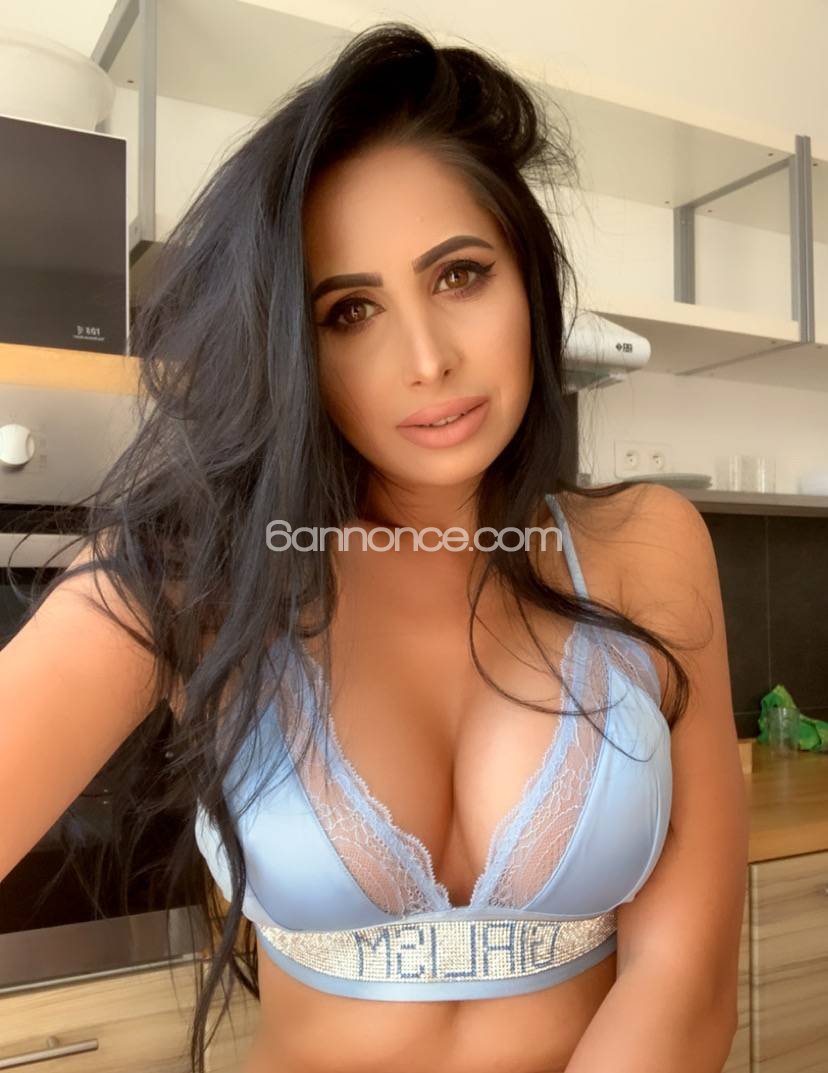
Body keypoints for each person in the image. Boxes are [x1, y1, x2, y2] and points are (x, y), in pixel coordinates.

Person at [0, 21, 748, 1073]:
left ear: (528, 278)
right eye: (350, 310)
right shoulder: (192, 574)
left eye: (460, 276)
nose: (428, 359)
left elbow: (687, 975)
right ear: (291, 346)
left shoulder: (648, 543)